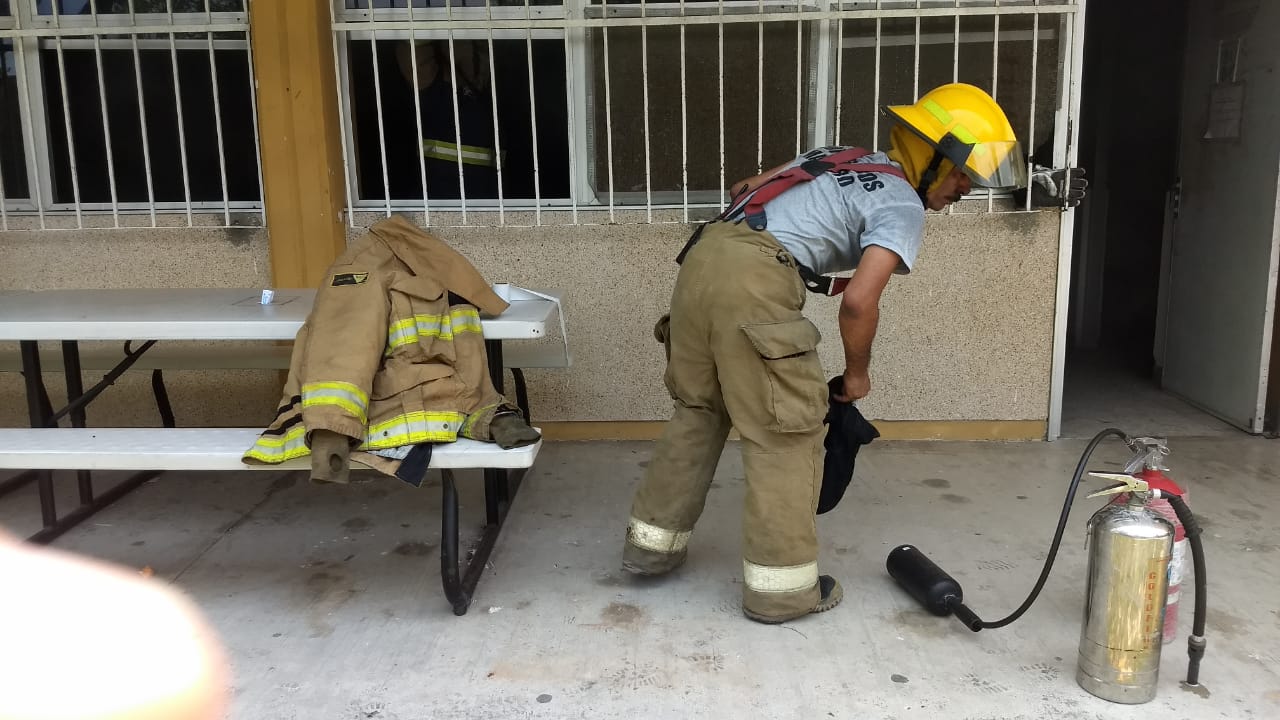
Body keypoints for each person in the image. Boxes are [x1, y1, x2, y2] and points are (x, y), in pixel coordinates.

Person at [620, 83, 1027, 624]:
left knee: (699, 411)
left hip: (702, 262)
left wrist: (794, 263)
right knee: (785, 433)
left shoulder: (838, 155)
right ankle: (782, 594)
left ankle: (650, 551)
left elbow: (745, 190)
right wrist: (857, 375)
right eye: (961, 172)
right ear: (932, 157)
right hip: (753, 281)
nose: (967, 187)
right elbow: (860, 302)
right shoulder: (901, 204)